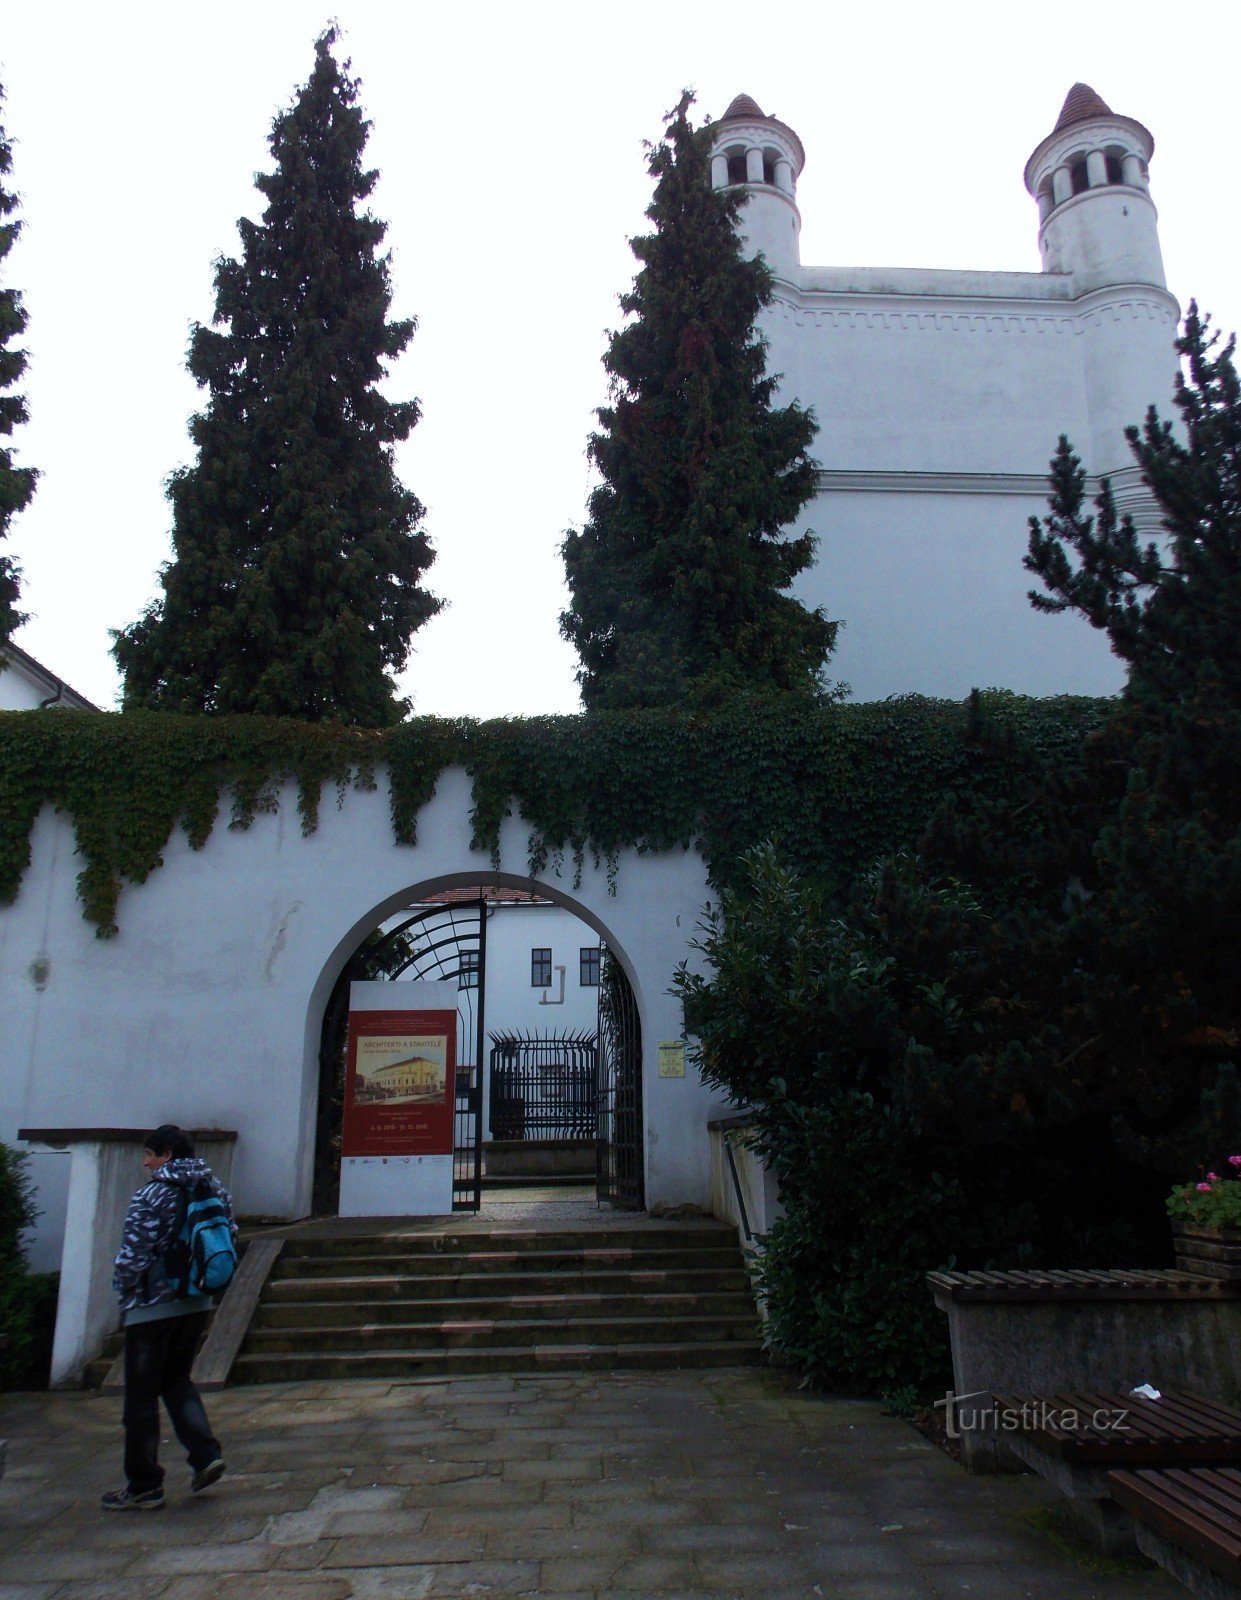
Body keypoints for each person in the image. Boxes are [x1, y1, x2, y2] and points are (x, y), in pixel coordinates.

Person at [102, 1124, 235, 1511]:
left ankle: (144, 1483)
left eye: (150, 1154)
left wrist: (126, 1293)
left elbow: (134, 1254)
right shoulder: (216, 1190)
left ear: (168, 1155)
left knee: (140, 1399)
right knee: (177, 1381)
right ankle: (206, 1454)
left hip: (152, 1308)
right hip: (195, 1303)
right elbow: (230, 1235)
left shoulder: (152, 1195)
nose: (145, 1163)